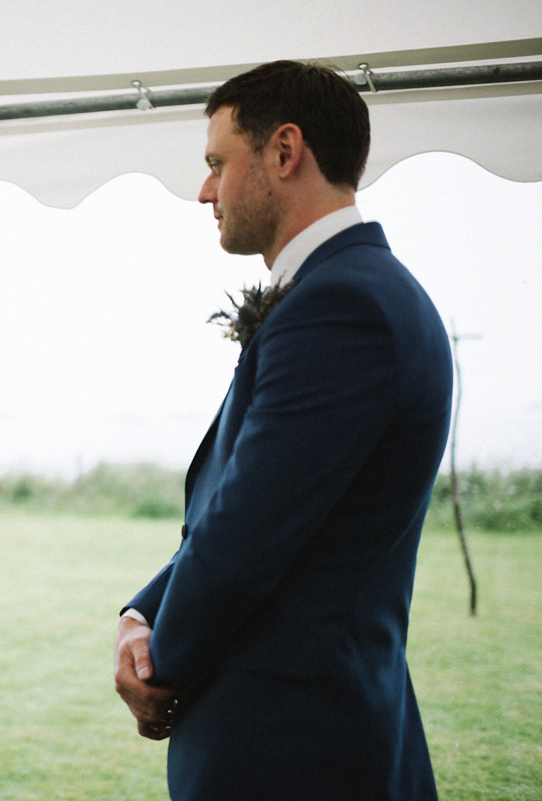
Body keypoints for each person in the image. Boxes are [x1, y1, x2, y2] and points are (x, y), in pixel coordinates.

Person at [114, 61, 451, 800]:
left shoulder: (342, 307)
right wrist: (144, 609)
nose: (205, 192)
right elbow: (259, 500)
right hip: (320, 722)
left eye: (216, 164)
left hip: (292, 743)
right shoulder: (353, 290)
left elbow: (247, 532)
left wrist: (156, 662)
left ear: (284, 151)